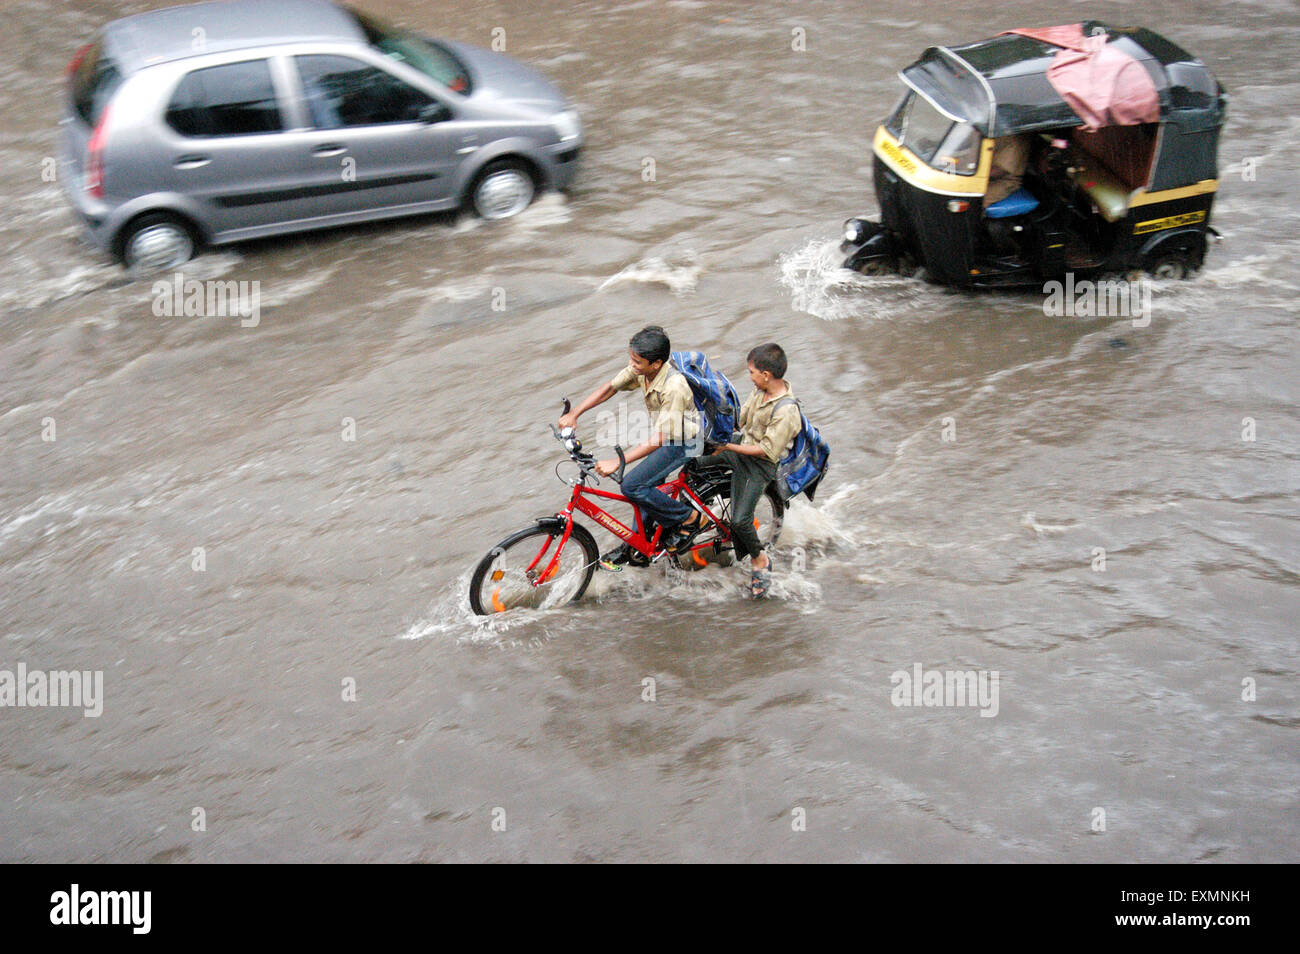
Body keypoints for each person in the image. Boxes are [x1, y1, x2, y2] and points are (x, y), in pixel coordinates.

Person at [558, 325, 709, 568]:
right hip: (668, 435)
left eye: (637, 361)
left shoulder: (674, 387)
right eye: (631, 359)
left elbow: (661, 438)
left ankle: (691, 519)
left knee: (632, 485)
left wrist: (618, 461)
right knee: (644, 487)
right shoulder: (642, 370)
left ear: (656, 364)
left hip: (685, 442)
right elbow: (610, 388)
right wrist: (576, 413)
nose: (632, 365)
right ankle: (639, 544)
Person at [692, 342, 801, 599]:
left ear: (766, 374)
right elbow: (741, 421)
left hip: (759, 463)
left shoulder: (786, 411)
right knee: (692, 463)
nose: (749, 377)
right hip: (741, 446)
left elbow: (766, 451)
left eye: (751, 372)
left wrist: (725, 445)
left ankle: (759, 558)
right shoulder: (759, 391)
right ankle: (694, 520)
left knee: (740, 520)